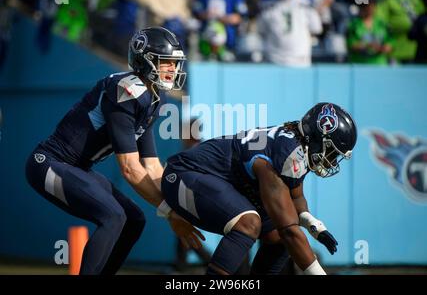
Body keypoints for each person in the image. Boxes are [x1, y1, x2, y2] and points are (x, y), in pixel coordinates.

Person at [25, 26, 205, 275]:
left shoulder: (153, 98)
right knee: (113, 216)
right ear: (146, 60)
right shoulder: (126, 90)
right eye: (166, 62)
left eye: (174, 63)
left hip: (78, 168)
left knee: (134, 220)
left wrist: (179, 202)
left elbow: (151, 165)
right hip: (48, 163)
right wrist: (170, 212)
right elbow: (130, 169)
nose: (173, 69)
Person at [161, 102, 357, 275]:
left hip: (218, 180)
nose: (331, 162)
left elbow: (296, 199)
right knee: (250, 223)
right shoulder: (287, 154)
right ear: (317, 137)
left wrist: (315, 226)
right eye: (332, 152)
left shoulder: (296, 145)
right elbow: (289, 229)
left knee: (277, 237)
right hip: (183, 175)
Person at [257, 0, 322, 67]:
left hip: (299, 59)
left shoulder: (303, 5)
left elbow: (316, 28)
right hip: (275, 59)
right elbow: (261, 30)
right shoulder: (269, 8)